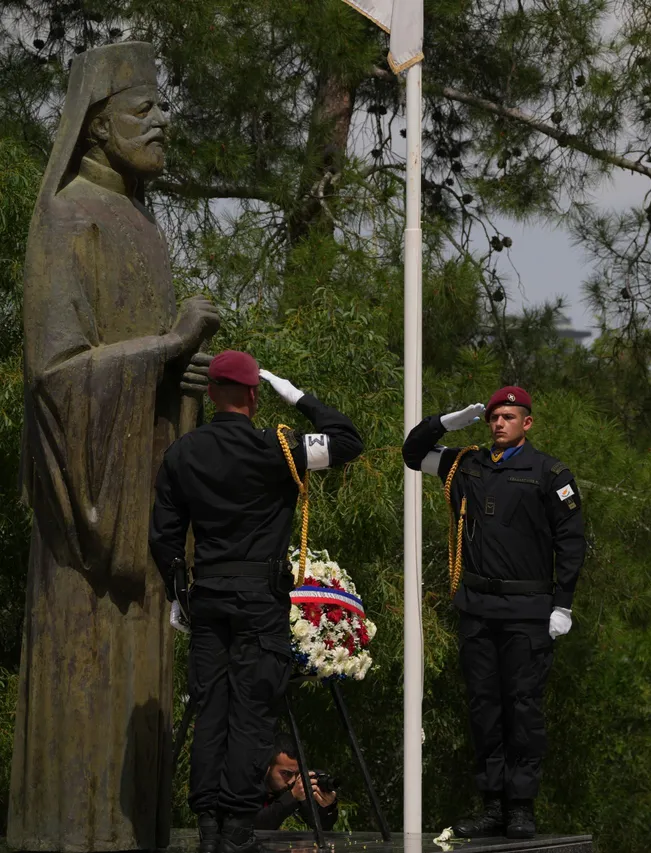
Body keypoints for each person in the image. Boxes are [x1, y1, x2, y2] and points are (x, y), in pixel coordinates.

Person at [9, 41, 219, 851]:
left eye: (164, 105)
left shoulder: (144, 227)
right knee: (84, 671)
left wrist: (181, 376)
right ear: (96, 126)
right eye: (144, 108)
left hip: (141, 497)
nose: (164, 120)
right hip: (86, 521)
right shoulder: (68, 218)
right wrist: (167, 350)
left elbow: (147, 366)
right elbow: (56, 376)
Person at [149, 351, 363, 853]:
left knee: (210, 711)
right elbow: (348, 441)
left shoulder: (183, 452)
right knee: (251, 712)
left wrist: (177, 594)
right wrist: (298, 396)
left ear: (210, 393)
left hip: (208, 599)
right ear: (253, 395)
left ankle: (208, 826)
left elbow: (164, 535)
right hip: (259, 602)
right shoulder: (279, 448)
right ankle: (237, 829)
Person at [401, 386, 585, 839]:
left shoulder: (549, 473)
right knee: (484, 708)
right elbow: (412, 453)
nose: (499, 423)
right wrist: (449, 422)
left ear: (527, 422)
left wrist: (563, 603)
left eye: (509, 416)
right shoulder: (468, 465)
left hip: (528, 610)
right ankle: (492, 805)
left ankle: (521, 806)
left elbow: (571, 541)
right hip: (479, 608)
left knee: (522, 709)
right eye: (494, 417)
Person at [256, 734, 339, 831]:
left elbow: (322, 826)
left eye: (298, 774)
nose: (292, 780)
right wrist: (292, 796)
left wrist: (327, 806)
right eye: (286, 773)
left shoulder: (291, 789)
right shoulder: (249, 786)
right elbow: (253, 826)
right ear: (267, 767)